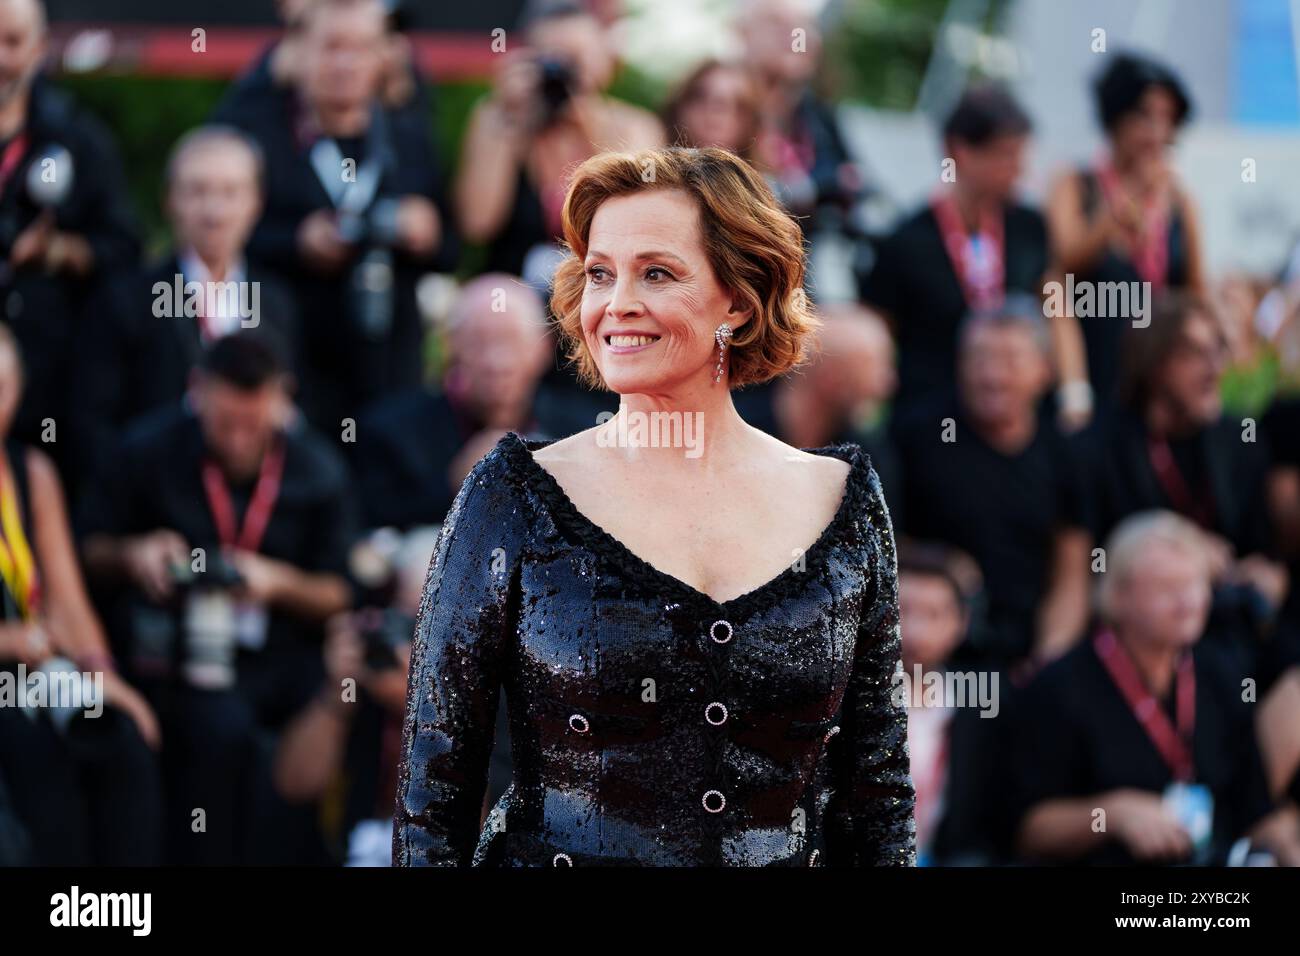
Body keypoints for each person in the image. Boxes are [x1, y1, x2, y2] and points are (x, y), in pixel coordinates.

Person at [393, 146, 915, 867]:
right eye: (601, 273)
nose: (617, 304)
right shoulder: (514, 492)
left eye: (657, 273)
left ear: (738, 296)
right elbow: (434, 795)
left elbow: (878, 796)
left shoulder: (843, 502)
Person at [78, 333, 359, 864]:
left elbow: (342, 589)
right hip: (173, 654)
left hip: (280, 653)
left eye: (252, 425)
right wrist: (132, 553)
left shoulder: (318, 469)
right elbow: (85, 551)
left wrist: (278, 583)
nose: (235, 441)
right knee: (210, 732)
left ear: (282, 401)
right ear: (197, 392)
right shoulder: (146, 451)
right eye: (224, 422)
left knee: (342, 706)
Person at [1009, 510, 1300, 866]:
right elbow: (1026, 832)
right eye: (1167, 588)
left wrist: (1282, 837)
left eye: (1195, 584)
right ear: (1118, 596)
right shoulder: (1059, 685)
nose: (1187, 603)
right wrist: (1109, 815)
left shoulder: (1220, 674)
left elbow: (1254, 807)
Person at [228, 0, 458, 434]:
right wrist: (297, 241)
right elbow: (225, 240)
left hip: (392, 362)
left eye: (361, 48)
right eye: (331, 47)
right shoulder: (260, 135)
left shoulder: (407, 136)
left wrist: (426, 229)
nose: (345, 63)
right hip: (295, 360)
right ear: (299, 53)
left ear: (383, 57)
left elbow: (452, 249)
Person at [0, 324, 163, 865]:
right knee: (37, 759)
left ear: (18, 390)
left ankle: (120, 914)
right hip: (12, 669)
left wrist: (103, 676)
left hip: (39, 666)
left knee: (123, 745)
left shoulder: (30, 471)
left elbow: (67, 601)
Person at [70, 126, 298, 489]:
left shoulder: (276, 302)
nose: (214, 211)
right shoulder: (125, 300)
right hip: (156, 496)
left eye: (230, 192)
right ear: (170, 201)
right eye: (197, 191)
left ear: (256, 203)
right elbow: (92, 424)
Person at [1084, 292, 1287, 681]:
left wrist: (1265, 572)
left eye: (1218, 350)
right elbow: (1094, 557)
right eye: (1193, 353)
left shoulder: (1236, 440)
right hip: (1138, 630)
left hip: (1232, 627)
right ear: (1153, 363)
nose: (1213, 368)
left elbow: (1259, 545)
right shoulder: (1099, 447)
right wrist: (1186, 551)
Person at [893, 295, 1093, 672]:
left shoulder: (1064, 454)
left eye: (1010, 361)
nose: (992, 376)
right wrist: (941, 565)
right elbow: (882, 540)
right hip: (930, 652)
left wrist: (1049, 659)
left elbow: (1072, 572)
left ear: (1043, 371)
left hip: (1026, 655)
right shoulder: (916, 437)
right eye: (979, 359)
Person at [862, 83, 1083, 422]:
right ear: (961, 153)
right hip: (933, 422)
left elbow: (1057, 309)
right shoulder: (905, 242)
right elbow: (876, 336)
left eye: (1020, 155)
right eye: (1006, 155)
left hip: (1019, 420)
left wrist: (1074, 393)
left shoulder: (1028, 226)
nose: (1019, 169)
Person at [0, 0, 141, 486]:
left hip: (54, 388)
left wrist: (58, 252)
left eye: (13, 42)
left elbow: (126, 251)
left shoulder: (79, 141)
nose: (0, 58)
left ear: (40, 49)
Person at [455, 0, 664, 286]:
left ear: (604, 62)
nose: (565, 74)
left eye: (576, 60)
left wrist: (591, 127)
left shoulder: (633, 126)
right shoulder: (499, 118)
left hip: (606, 289)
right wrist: (508, 123)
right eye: (553, 61)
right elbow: (477, 225)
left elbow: (641, 221)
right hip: (515, 293)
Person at [1046, 52, 1205, 409]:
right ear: (1115, 119)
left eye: (1167, 118)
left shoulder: (1180, 201)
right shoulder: (1074, 185)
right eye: (1145, 116)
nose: (1157, 132)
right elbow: (1061, 268)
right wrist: (1117, 213)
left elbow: (1194, 292)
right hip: (1095, 363)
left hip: (1159, 378)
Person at [348, 273, 553, 531]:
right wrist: (455, 486)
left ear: (542, 349)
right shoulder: (390, 432)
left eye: (510, 342)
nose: (496, 363)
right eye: (479, 343)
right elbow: (369, 528)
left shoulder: (580, 430)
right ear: (452, 347)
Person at [663, 59, 761, 162]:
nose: (713, 114)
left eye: (738, 105)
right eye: (699, 96)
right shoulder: (650, 166)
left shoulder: (766, 178)